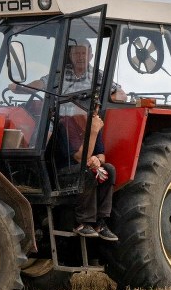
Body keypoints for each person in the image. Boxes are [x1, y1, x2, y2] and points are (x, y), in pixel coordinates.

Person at [15, 42, 123, 241]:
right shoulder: (67, 124)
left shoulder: (98, 79)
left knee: (109, 169)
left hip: (82, 162)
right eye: (76, 53)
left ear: (90, 55)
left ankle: (101, 223)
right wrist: (20, 87)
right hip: (67, 166)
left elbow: (100, 152)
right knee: (85, 170)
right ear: (71, 55)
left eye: (84, 53)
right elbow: (80, 157)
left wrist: (98, 160)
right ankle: (84, 222)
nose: (80, 56)